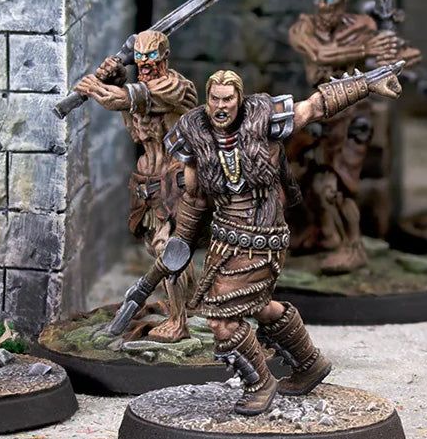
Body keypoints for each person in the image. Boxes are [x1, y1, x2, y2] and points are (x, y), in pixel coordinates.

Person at [163, 60, 404, 414]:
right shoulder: (193, 132)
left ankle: (260, 384)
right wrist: (181, 242)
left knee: (221, 320)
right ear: (207, 99)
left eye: (228, 99)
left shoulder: (264, 117)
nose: (221, 106)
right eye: (215, 99)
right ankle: (309, 363)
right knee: (257, 304)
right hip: (224, 236)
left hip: (262, 233)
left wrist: (366, 84)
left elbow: (315, 107)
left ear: (239, 99)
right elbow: (195, 195)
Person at [288, 0, 420, 272]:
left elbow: (405, 56)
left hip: (353, 115)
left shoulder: (363, 28)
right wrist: (365, 50)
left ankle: (353, 246)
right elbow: (320, 54)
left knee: (336, 188)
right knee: (299, 175)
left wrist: (393, 52)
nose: (324, 7)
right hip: (320, 111)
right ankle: (324, 233)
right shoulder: (304, 28)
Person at [74, 30, 198, 340]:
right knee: (154, 247)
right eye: (139, 58)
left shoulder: (177, 87)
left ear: (164, 57)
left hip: (175, 179)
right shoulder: (141, 89)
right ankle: (191, 303)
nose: (145, 64)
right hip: (147, 182)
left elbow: (121, 99)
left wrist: (96, 87)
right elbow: (129, 105)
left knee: (168, 249)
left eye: (151, 57)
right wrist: (116, 78)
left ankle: (179, 322)